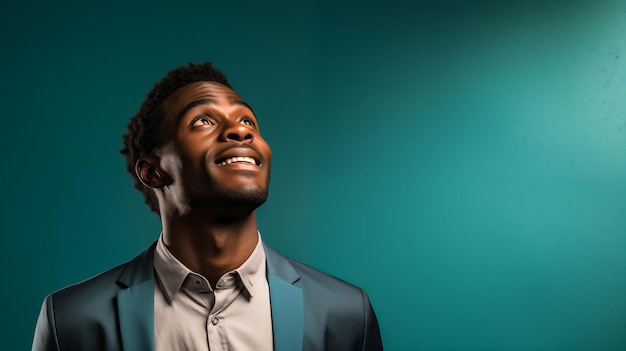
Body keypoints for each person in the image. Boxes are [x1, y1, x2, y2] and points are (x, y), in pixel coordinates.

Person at [32, 62, 383, 351]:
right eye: (203, 121)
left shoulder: (347, 314)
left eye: (248, 121)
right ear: (153, 172)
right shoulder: (70, 320)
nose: (240, 132)